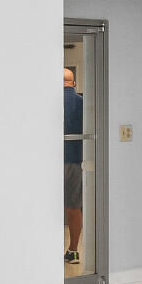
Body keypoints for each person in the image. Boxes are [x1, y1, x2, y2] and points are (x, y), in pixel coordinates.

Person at [62, 63, 86, 265]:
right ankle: (73, 251)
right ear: (74, 83)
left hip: (49, 160)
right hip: (75, 160)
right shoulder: (83, 102)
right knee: (74, 206)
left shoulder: (47, 101)